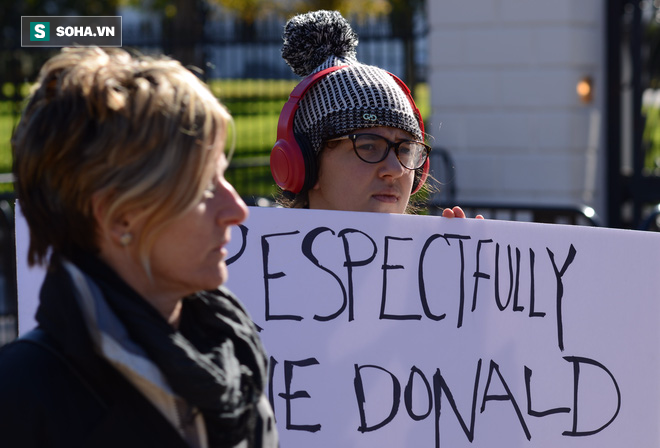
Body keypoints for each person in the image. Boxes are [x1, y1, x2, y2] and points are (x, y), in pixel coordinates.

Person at [0, 47, 277, 448]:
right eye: (203, 186)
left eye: (225, 176)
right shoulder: (24, 399)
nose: (236, 210)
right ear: (119, 219)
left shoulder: (232, 359)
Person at [270, 10, 481, 219]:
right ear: (307, 165)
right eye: (368, 146)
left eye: (406, 149)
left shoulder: (437, 252)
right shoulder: (257, 251)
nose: (396, 169)